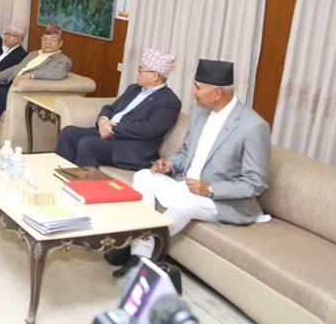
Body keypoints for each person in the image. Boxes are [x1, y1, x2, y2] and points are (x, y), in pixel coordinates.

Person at [108, 59, 271, 277]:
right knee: (144, 176)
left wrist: (210, 189)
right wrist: (169, 164)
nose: (193, 92)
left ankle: (139, 255)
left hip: (221, 201)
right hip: (185, 186)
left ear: (217, 93)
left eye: (197, 87)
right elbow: (185, 151)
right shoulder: (200, 113)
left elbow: (255, 183)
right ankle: (139, 249)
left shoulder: (253, 126)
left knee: (187, 204)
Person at [55, 48, 181, 170]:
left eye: (140, 70)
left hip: (130, 147)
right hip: (109, 134)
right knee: (68, 133)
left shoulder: (169, 101)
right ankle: (63, 175)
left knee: (88, 144)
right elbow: (110, 108)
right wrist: (103, 121)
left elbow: (149, 129)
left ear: (154, 75)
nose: (137, 73)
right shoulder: (134, 89)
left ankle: (88, 183)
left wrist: (113, 128)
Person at [0, 23, 71, 147]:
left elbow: (58, 73)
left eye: (53, 40)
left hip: (22, 91)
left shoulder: (62, 60)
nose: (48, 42)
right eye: (45, 39)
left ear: (60, 43)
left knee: (1, 93)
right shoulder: (34, 54)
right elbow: (15, 68)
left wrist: (30, 75)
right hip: (10, 84)